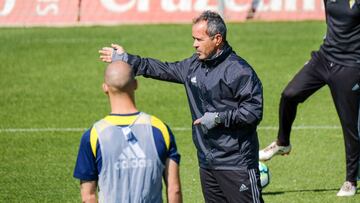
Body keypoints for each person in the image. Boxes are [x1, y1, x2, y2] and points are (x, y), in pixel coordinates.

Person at [99, 10, 264, 203]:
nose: (194, 44)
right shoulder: (194, 65)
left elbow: (254, 111)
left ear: (217, 39)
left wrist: (219, 118)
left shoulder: (239, 71)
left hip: (237, 164)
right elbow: (163, 69)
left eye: (199, 39)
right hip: (208, 163)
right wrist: (128, 60)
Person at [258, 0, 360, 197]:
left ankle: (350, 180)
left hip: (350, 66)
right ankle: (282, 142)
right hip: (324, 57)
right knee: (289, 95)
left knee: (350, 126)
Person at [73, 61, 182, 203]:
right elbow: (174, 189)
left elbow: (88, 196)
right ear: (136, 84)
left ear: (105, 88)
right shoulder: (160, 129)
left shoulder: (94, 135)